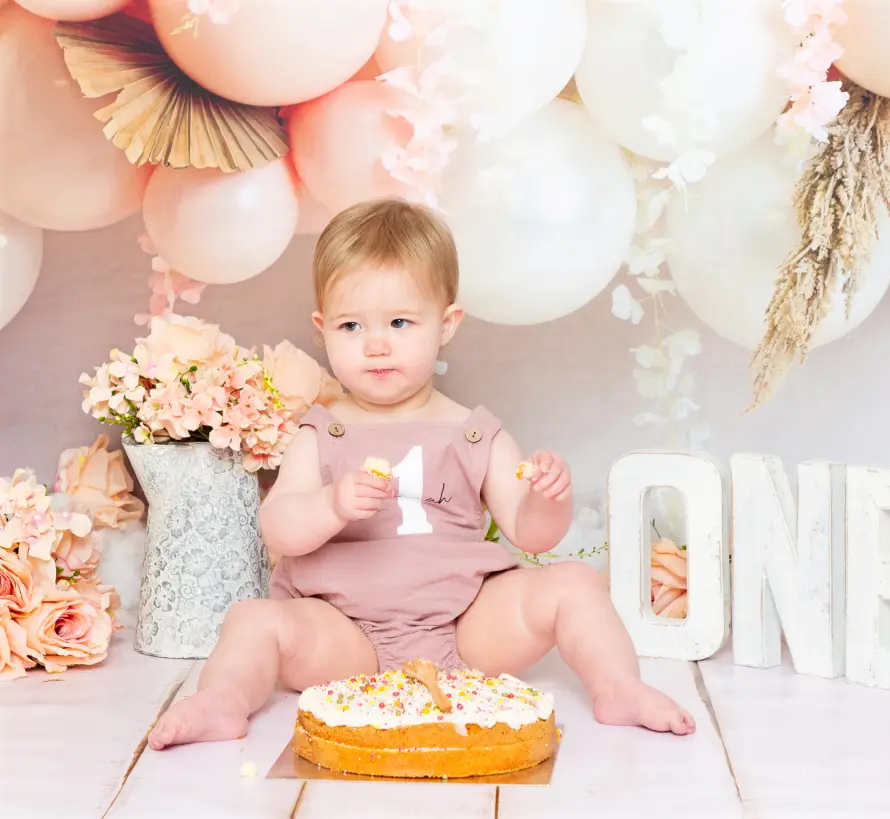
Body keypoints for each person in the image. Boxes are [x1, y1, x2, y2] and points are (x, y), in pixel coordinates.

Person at [148, 198, 695, 749]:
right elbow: (279, 528)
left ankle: (618, 686)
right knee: (253, 619)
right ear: (322, 329)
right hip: (345, 635)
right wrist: (331, 505)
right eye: (351, 324)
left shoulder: (474, 433)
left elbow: (531, 534)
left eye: (400, 322)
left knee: (573, 584)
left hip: (466, 628)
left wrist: (549, 499)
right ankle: (221, 702)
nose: (376, 343)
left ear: (447, 323)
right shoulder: (323, 433)